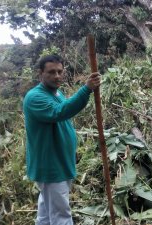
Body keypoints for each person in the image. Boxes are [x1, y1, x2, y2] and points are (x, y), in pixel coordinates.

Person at [23, 54, 100, 225]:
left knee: (46, 213)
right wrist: (86, 89)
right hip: (50, 165)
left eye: (60, 71)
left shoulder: (57, 93)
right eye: (51, 72)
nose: (57, 76)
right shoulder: (35, 97)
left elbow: (64, 111)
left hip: (61, 161)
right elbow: (60, 112)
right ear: (40, 74)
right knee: (61, 216)